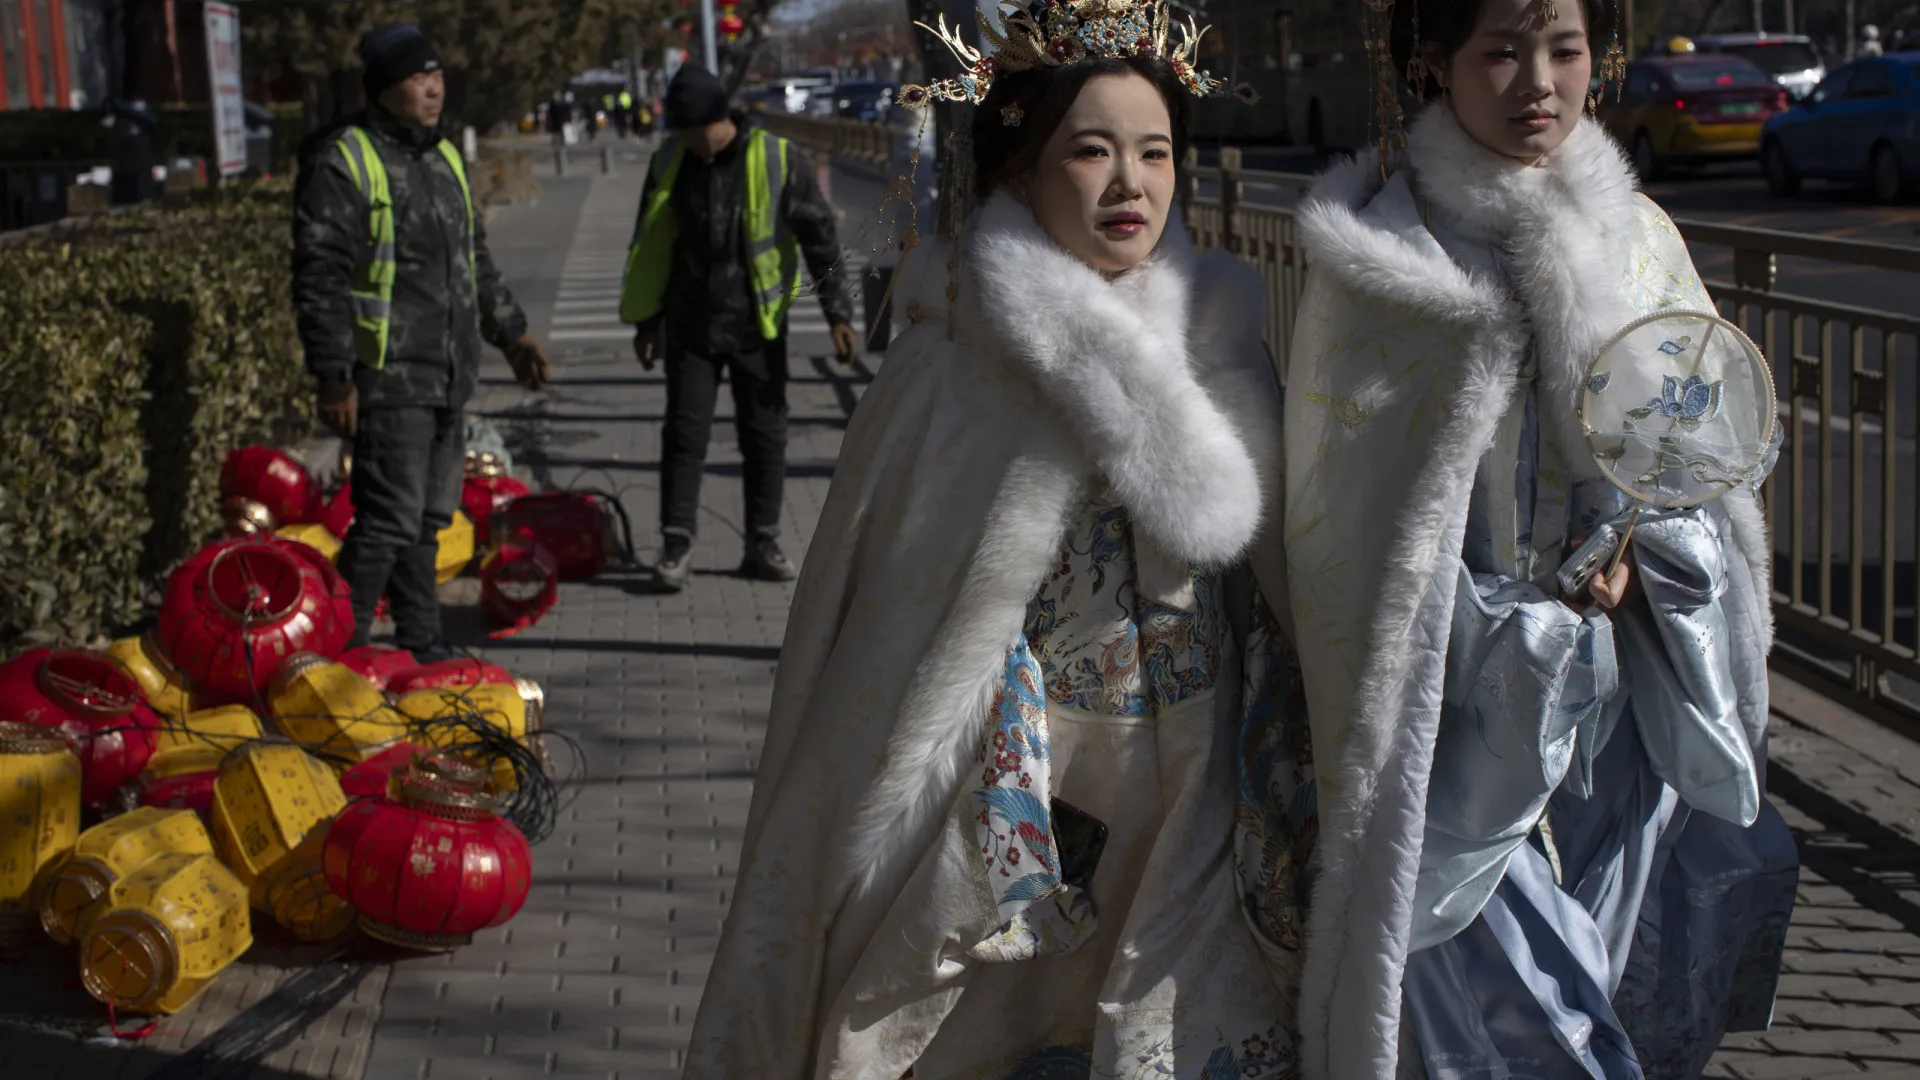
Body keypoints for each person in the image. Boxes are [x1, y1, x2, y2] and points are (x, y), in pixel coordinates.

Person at [679, 7, 1305, 1077]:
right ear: (1023, 166)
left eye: (1155, 152)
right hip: (1008, 794)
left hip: (1192, 785)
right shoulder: (951, 365)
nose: (1129, 185)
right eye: (1091, 151)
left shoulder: (1221, 346)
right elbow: (877, 633)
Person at [1283, 0, 1798, 1077]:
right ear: (1432, 59)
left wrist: (1649, 557)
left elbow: (1703, 466)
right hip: (1465, 720)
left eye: (1564, 49)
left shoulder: (1640, 235)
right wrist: (1513, 628)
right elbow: (1351, 542)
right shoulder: (1385, 263)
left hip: (1623, 709)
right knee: (1528, 1023)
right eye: (1501, 51)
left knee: (1603, 979)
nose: (1538, 83)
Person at [293, 24, 551, 661]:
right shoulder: (345, 160)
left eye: (436, 74)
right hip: (388, 376)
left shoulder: (442, 158)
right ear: (383, 90)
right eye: (416, 77)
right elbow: (319, 274)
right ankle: (335, 653)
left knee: (429, 522)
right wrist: (334, 373)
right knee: (386, 521)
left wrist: (511, 333)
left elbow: (474, 262)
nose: (433, 88)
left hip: (447, 374)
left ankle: (421, 641)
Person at [620, 63, 858, 589]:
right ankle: (676, 543)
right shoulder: (671, 160)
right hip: (690, 326)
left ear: (718, 119)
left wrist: (838, 314)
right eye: (679, 134)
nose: (688, 143)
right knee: (684, 436)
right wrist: (646, 322)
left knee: (765, 437)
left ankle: (763, 542)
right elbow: (652, 243)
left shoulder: (776, 158)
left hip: (759, 325)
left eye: (693, 132)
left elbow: (821, 239)